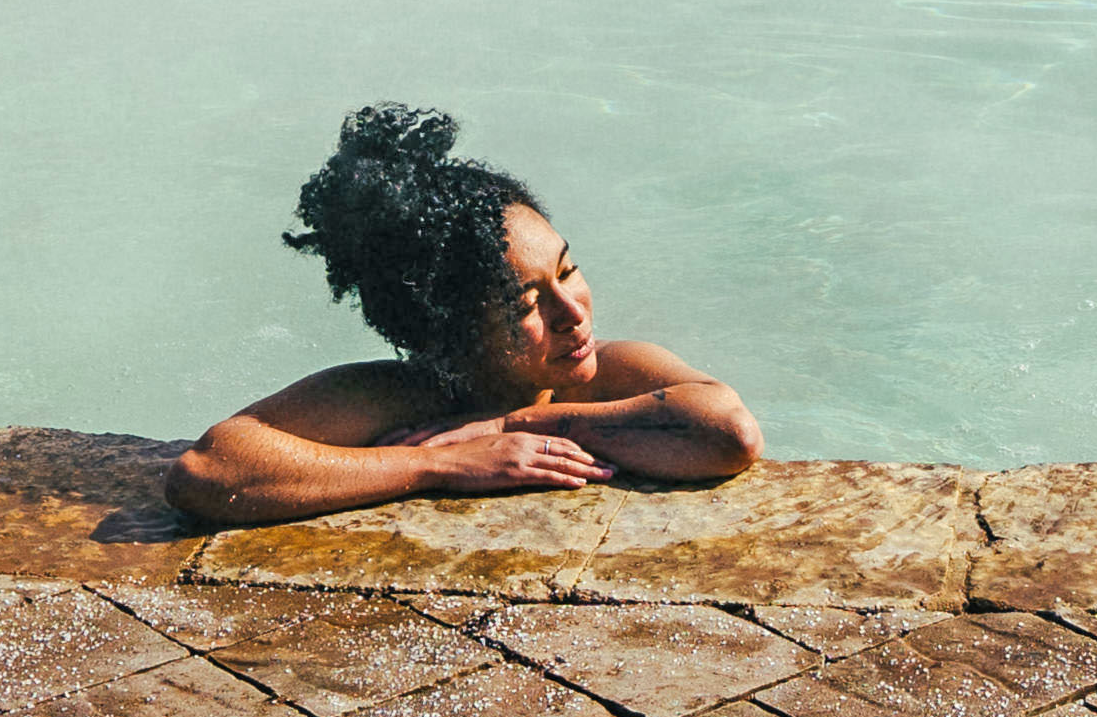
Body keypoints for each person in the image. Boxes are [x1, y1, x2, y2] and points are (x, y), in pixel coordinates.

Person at [171, 106, 761, 526]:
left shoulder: (611, 372)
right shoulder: (402, 399)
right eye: (526, 303)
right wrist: (437, 464)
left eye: (567, 271)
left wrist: (516, 428)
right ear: (451, 330)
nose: (570, 314)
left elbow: (727, 432)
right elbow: (208, 469)